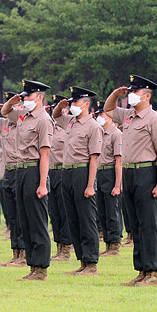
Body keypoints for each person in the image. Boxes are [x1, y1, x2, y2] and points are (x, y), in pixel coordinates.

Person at [104, 76, 157, 286]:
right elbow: (108, 110)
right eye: (130, 91)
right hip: (130, 173)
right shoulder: (129, 116)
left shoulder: (155, 120)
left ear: (147, 96)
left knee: (148, 224)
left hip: (146, 173)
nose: (132, 94)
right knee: (135, 226)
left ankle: (152, 273)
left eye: (136, 91)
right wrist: (115, 94)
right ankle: (141, 269)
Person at [2, 80, 53, 280]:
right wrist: (14, 100)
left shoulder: (43, 120)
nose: (25, 100)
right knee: (25, 221)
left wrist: (42, 184)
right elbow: (6, 112)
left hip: (34, 170)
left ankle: (41, 268)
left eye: (28, 96)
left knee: (37, 221)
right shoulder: (24, 117)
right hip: (20, 171)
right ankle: (32, 265)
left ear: (39, 97)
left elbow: (45, 155)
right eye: (24, 96)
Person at [53, 85, 103, 277]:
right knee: (73, 218)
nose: (73, 105)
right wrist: (62, 104)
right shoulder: (71, 122)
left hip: (83, 172)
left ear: (86, 104)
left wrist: (90, 185)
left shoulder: (93, 126)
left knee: (86, 218)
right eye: (71, 101)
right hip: (67, 173)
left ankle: (91, 264)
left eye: (76, 102)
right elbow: (57, 116)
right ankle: (82, 261)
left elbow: (94, 158)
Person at [0, 93, 28, 267]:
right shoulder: (4, 124)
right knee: (10, 215)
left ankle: (23, 254)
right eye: (12, 107)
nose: (13, 110)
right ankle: (15, 253)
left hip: (21, 170)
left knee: (21, 213)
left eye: (18, 107)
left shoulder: (24, 123)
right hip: (8, 172)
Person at [95, 100, 124, 258]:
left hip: (111, 173)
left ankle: (115, 244)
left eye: (102, 114)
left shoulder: (116, 134)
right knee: (103, 211)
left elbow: (118, 161)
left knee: (112, 211)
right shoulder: (99, 133)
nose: (100, 116)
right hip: (100, 173)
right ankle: (107, 243)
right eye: (98, 114)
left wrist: (117, 184)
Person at [47, 94, 72, 261]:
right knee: (54, 212)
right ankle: (59, 246)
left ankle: (67, 249)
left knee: (65, 212)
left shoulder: (69, 126)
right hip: (50, 172)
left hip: (64, 171)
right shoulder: (49, 127)